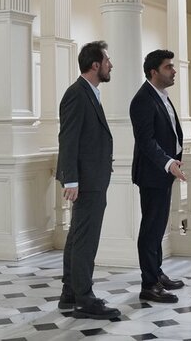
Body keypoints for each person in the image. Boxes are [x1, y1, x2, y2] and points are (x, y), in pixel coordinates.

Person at [56, 40, 120, 319]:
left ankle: (70, 293)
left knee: (77, 236)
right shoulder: (77, 94)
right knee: (85, 239)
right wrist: (71, 179)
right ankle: (84, 298)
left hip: (92, 178)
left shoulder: (88, 92)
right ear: (95, 65)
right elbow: (68, 138)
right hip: (86, 180)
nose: (110, 65)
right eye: (107, 61)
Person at [130, 49, 186, 303]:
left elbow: (170, 133)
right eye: (168, 67)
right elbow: (146, 141)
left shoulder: (161, 96)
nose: (173, 71)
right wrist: (168, 162)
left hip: (164, 173)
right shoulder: (142, 99)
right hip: (152, 173)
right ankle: (149, 284)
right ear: (154, 72)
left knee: (158, 227)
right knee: (150, 229)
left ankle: (157, 273)